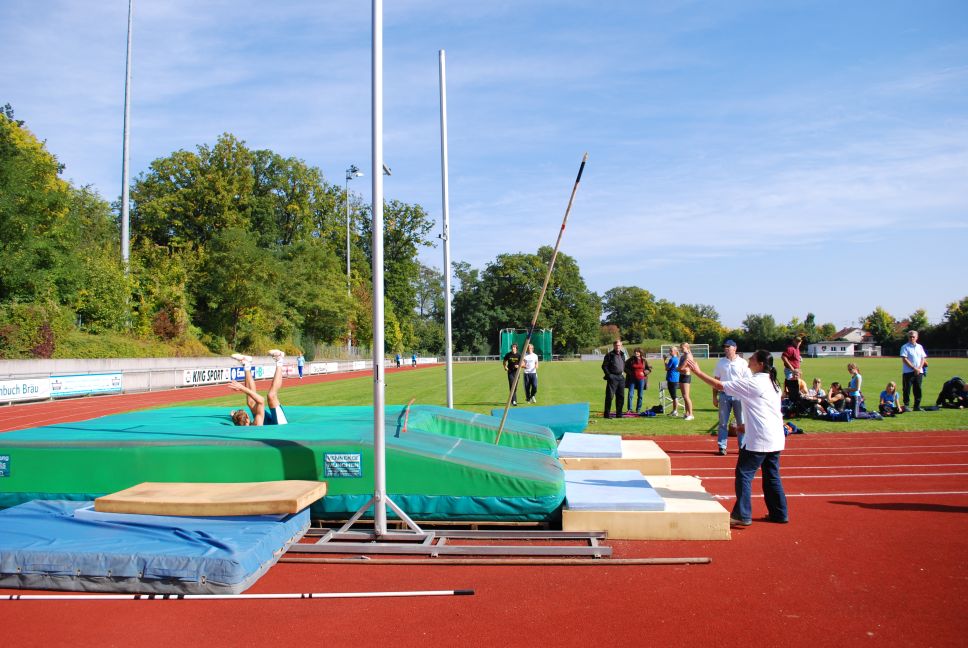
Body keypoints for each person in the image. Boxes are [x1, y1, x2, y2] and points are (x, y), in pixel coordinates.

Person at [685, 349, 789, 527]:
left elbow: (720, 386)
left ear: (760, 364)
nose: (749, 359)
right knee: (772, 476)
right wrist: (746, 426)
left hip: (759, 439)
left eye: (753, 358)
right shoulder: (774, 383)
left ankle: (742, 514)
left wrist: (698, 372)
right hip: (775, 436)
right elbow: (767, 410)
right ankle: (779, 513)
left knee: (744, 474)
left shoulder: (753, 383)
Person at [228, 350, 289, 426]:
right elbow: (261, 400)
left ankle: (246, 364)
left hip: (265, 423)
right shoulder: (256, 424)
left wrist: (234, 416)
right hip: (279, 425)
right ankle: (279, 360)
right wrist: (242, 388)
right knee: (271, 396)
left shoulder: (248, 424)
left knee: (251, 403)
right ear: (247, 418)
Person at [713, 339, 751, 455]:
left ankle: (742, 446)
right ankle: (722, 446)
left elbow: (748, 380)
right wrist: (714, 397)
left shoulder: (742, 363)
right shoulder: (721, 362)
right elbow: (716, 380)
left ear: (735, 348)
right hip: (724, 395)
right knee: (722, 422)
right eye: (724, 347)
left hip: (739, 395)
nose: (726, 349)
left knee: (741, 422)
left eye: (728, 347)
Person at [900, 330, 928, 411]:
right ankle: (906, 406)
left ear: (917, 337)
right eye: (910, 336)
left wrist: (919, 368)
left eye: (913, 337)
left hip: (919, 372)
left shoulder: (920, 347)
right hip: (908, 372)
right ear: (908, 337)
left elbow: (923, 358)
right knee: (907, 389)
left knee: (918, 389)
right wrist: (914, 368)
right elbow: (904, 359)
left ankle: (917, 406)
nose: (912, 338)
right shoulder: (905, 347)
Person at [602, 340, 626, 419]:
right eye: (616, 345)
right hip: (613, 378)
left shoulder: (623, 354)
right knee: (610, 396)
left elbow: (624, 364)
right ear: (614, 346)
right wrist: (609, 375)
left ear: (621, 346)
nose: (618, 347)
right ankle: (607, 415)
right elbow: (604, 366)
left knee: (621, 397)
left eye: (619, 345)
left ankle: (619, 415)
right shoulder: (609, 355)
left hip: (621, 378)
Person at [625, 347, 651, 415]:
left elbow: (649, 368)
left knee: (640, 395)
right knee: (630, 394)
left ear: (640, 353)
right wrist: (630, 373)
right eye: (635, 351)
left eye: (638, 352)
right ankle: (629, 409)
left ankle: (638, 409)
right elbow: (624, 367)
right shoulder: (631, 360)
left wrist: (644, 373)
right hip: (632, 379)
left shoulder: (644, 360)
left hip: (641, 379)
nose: (636, 353)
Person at [781, 336, 803, 401]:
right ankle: (791, 401)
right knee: (792, 387)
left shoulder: (797, 349)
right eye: (797, 341)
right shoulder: (790, 348)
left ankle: (794, 400)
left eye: (799, 341)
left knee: (796, 386)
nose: (798, 343)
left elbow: (794, 358)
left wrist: (799, 359)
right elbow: (783, 357)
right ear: (793, 341)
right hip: (790, 371)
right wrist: (792, 369)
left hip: (796, 371)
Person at [679, 343, 695, 421]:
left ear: (687, 347)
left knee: (686, 396)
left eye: (682, 348)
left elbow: (681, 367)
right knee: (684, 396)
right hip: (681, 376)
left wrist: (679, 368)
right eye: (680, 348)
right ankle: (687, 413)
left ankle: (691, 414)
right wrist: (679, 368)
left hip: (686, 376)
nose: (681, 349)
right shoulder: (682, 356)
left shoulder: (689, 356)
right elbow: (680, 368)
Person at [664, 346, 680, 417]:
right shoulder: (678, 359)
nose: (670, 352)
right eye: (669, 351)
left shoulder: (672, 359)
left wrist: (664, 360)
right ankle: (674, 410)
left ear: (675, 351)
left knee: (674, 396)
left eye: (671, 351)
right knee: (674, 396)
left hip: (671, 379)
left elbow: (667, 368)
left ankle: (675, 411)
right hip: (676, 379)